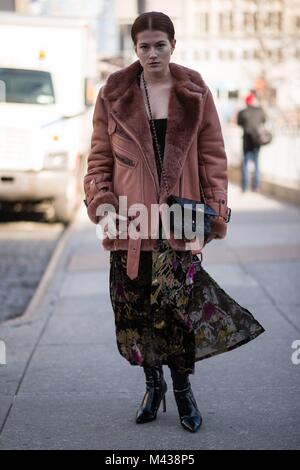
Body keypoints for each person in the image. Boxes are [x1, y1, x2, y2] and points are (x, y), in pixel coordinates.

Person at [83, 11, 265, 433]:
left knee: (178, 313)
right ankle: (153, 386)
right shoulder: (114, 92)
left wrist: (214, 213)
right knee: (136, 314)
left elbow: (214, 158)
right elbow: (99, 159)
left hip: (180, 223)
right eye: (143, 46)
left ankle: (182, 392)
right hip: (131, 224)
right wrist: (103, 204)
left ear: (173, 45)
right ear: (134, 49)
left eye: (159, 45)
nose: (152, 53)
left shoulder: (194, 90)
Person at [237, 93, 267, 192]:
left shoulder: (242, 112)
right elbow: (264, 121)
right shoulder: (260, 111)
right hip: (257, 141)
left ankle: (245, 187)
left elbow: (239, 123)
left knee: (245, 164)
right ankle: (256, 187)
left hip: (247, 141)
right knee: (257, 164)